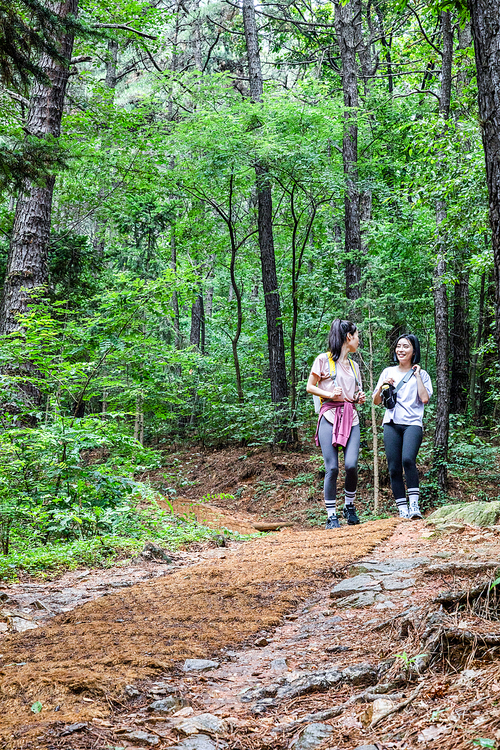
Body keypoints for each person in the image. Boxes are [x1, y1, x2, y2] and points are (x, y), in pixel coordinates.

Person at [306, 319, 366, 529]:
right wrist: (330, 394)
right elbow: (310, 387)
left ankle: (349, 506)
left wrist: (358, 397)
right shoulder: (323, 360)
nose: (359, 340)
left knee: (351, 465)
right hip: (329, 415)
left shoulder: (354, 365)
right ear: (348, 337)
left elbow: (354, 391)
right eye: (357, 336)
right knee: (332, 468)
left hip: (351, 417)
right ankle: (331, 515)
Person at [372, 334, 433, 520]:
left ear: (414, 350)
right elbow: (376, 401)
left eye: (406, 346)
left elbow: (424, 398)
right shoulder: (387, 371)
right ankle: (402, 508)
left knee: (408, 459)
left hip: (413, 423)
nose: (401, 350)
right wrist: (383, 385)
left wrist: (417, 376)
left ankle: (414, 505)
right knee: (393, 468)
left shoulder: (422, 374)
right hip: (391, 423)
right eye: (398, 346)